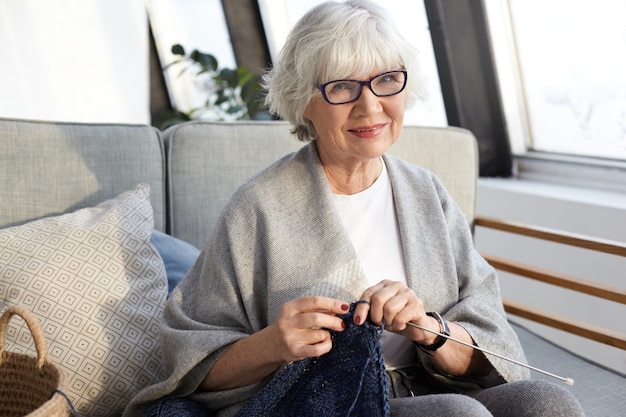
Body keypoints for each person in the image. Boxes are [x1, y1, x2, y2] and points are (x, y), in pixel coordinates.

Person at [125, 1, 585, 416]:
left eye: (386, 80)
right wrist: (273, 344)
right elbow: (188, 363)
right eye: (342, 87)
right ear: (305, 101)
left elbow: (489, 344)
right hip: (323, 403)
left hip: (423, 386)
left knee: (548, 403)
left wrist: (430, 329)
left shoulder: (427, 193)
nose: (370, 107)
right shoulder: (258, 206)